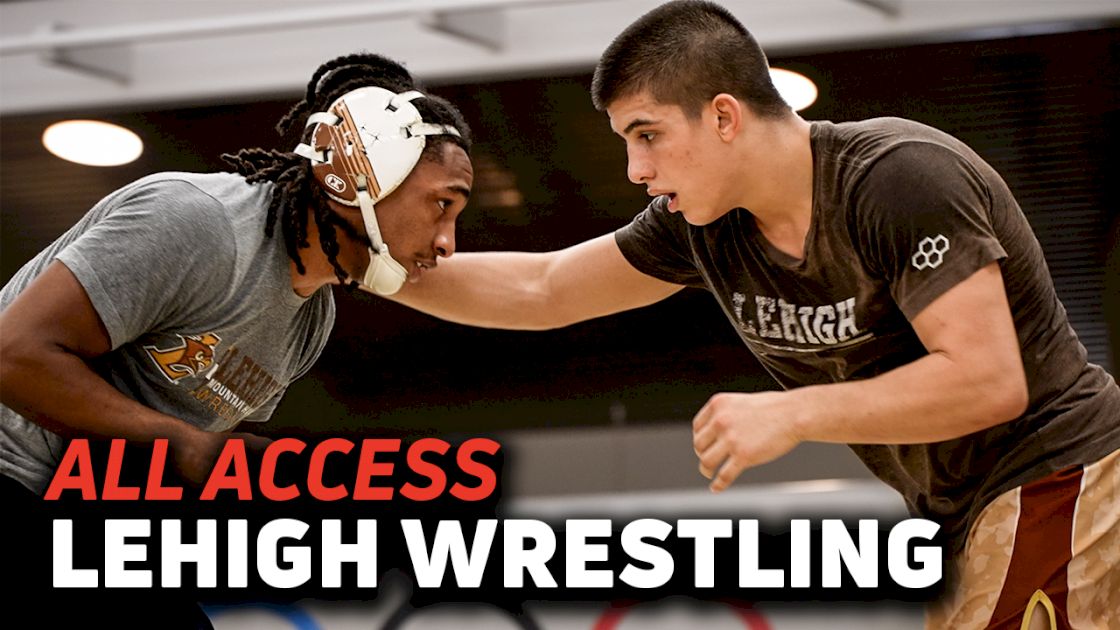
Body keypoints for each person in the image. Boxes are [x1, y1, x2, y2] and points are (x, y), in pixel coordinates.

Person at [388, 2, 1120, 628]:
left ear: (724, 117)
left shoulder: (898, 178)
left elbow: (989, 382)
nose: (636, 170)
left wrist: (793, 413)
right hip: (964, 512)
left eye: (646, 134)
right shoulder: (698, 227)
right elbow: (542, 288)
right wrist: (366, 266)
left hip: (1066, 472)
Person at [0, 52, 473, 626]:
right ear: (365, 172)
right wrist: (190, 448)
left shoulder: (309, 319)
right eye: (442, 205)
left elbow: (159, 460)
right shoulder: (197, 222)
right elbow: (12, 356)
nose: (447, 242)